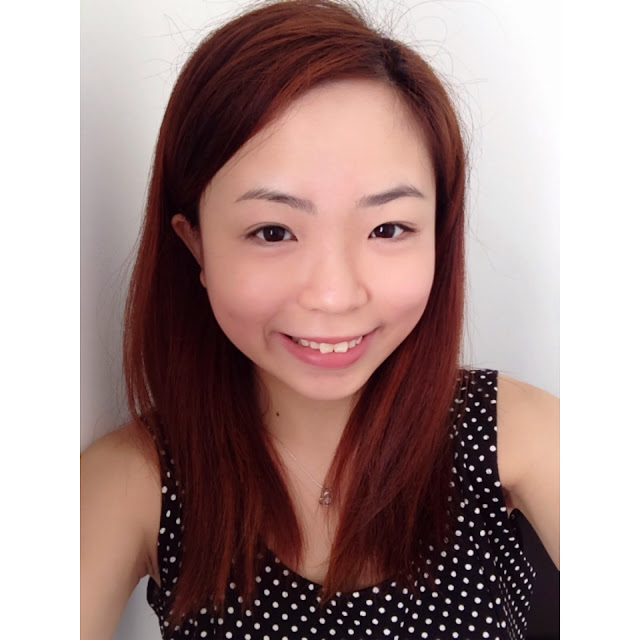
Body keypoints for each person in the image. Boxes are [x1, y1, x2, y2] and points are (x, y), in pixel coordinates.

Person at [80, 1, 559, 638]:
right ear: (195, 246)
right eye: (272, 231)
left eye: (388, 228)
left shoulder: (519, 434)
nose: (334, 296)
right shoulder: (133, 482)